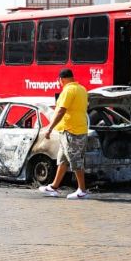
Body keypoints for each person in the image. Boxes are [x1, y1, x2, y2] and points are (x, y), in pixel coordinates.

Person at [39, 68, 90, 200]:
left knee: (75, 160)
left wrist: (50, 128)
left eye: (59, 81)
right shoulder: (82, 89)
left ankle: (82, 190)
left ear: (61, 79)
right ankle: (54, 187)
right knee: (62, 159)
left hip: (72, 131)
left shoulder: (68, 90)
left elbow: (61, 111)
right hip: (74, 130)